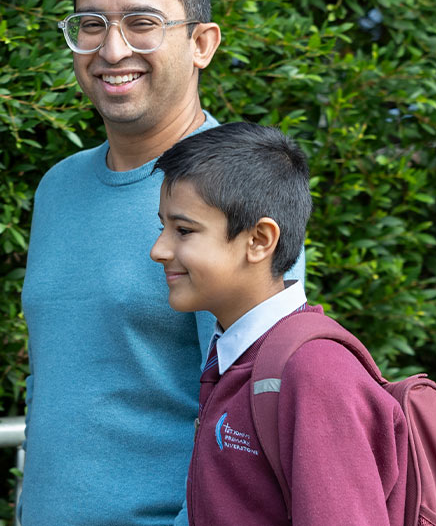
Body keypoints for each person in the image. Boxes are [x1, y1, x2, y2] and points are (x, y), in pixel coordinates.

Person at [19, 0, 304, 525]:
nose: (112, 49)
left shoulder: (236, 192)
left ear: (202, 43)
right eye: (91, 24)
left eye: (142, 23)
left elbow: (258, 410)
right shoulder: (59, 188)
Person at [149, 122, 405, 525]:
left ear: (259, 240)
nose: (158, 249)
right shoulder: (234, 356)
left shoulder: (314, 372)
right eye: (161, 227)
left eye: (183, 230)